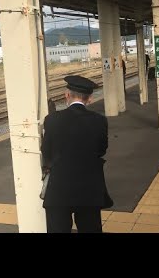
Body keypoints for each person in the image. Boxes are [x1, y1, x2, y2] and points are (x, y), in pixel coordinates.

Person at [40, 75, 113, 233]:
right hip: (90, 188)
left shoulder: (52, 120)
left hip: (59, 188)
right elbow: (101, 150)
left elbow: (46, 151)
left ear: (67, 95)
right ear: (89, 99)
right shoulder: (99, 120)